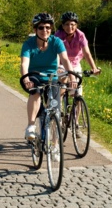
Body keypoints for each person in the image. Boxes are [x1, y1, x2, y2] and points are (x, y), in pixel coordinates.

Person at [20, 13, 73, 141]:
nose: (45, 30)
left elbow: (65, 59)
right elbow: (24, 63)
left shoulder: (56, 42)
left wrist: (72, 77)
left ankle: (55, 145)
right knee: (36, 93)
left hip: (52, 77)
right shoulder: (28, 44)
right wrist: (26, 78)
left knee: (55, 110)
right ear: (35, 30)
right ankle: (31, 126)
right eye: (41, 28)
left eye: (48, 27)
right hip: (34, 76)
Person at [55, 11, 101, 96]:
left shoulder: (80, 35)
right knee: (63, 80)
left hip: (75, 64)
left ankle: (77, 106)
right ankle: (58, 106)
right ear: (62, 26)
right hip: (62, 63)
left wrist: (94, 68)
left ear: (76, 25)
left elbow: (86, 53)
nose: (70, 27)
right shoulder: (58, 35)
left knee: (77, 93)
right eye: (67, 24)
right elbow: (56, 53)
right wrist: (57, 67)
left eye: (72, 24)